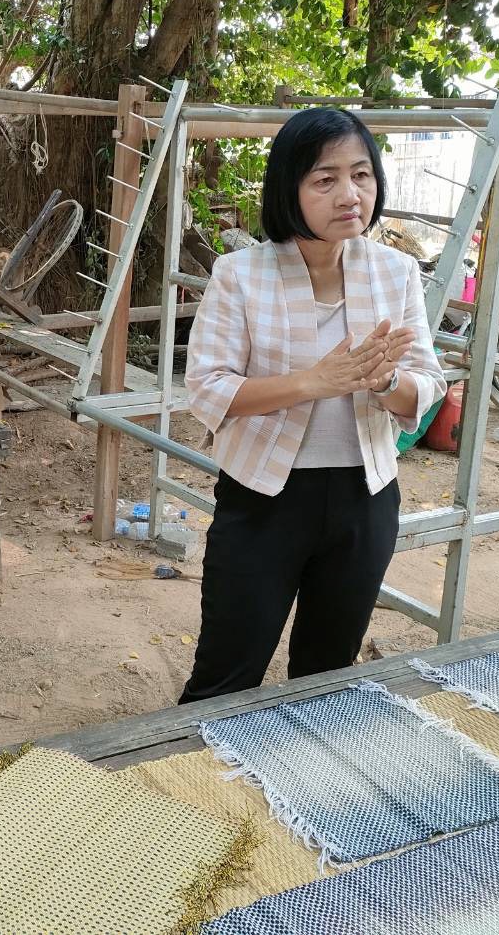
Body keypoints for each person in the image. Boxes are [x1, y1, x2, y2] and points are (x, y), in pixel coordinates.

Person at [179, 107, 445, 704]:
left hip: (364, 498)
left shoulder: (396, 272)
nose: (349, 194)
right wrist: (312, 382)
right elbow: (208, 387)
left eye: (361, 174)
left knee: (327, 675)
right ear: (289, 188)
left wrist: (382, 382)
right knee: (226, 674)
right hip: (263, 500)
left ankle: (303, 786)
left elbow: (426, 383)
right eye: (325, 179)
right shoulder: (240, 274)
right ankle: (192, 787)